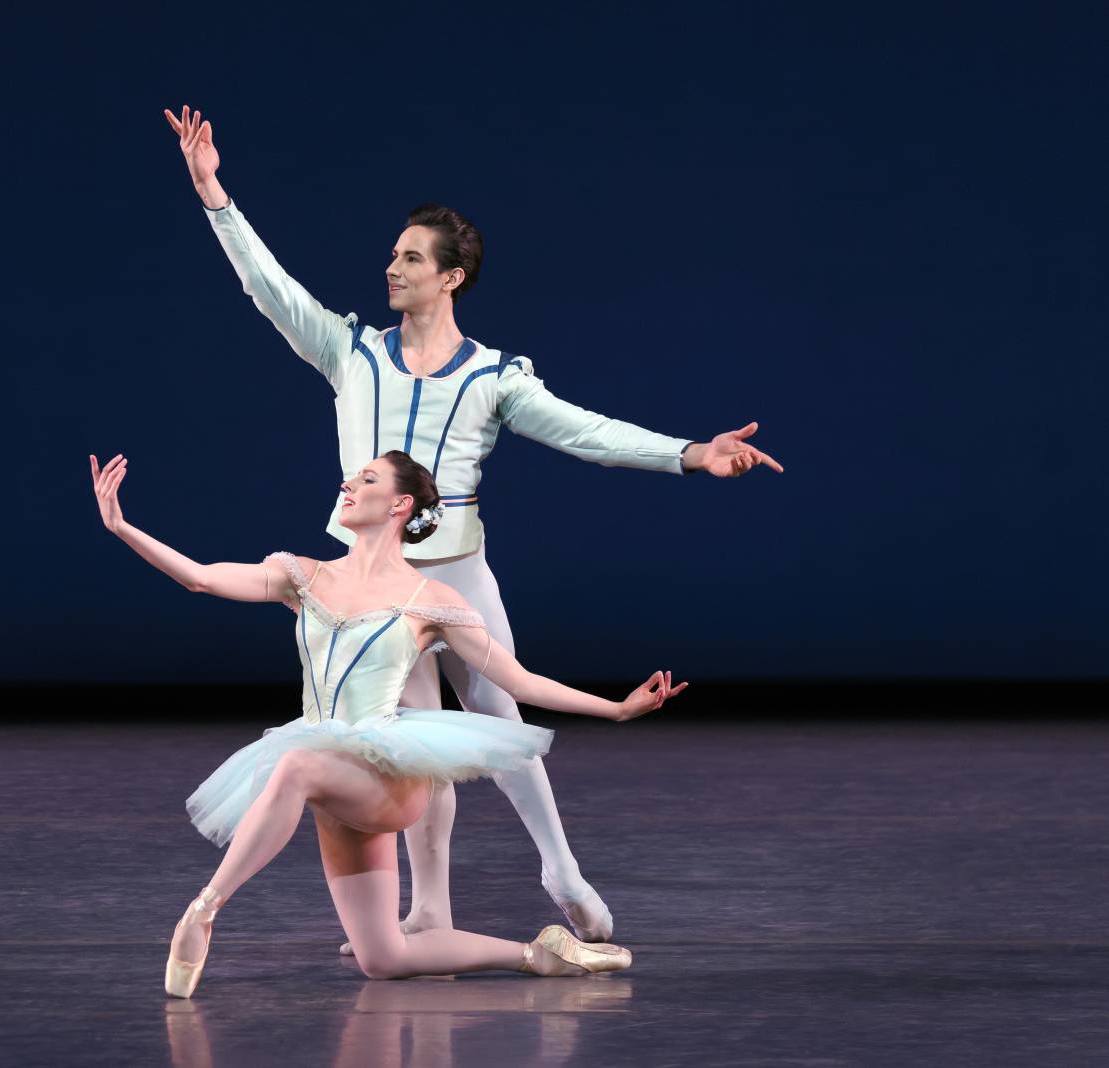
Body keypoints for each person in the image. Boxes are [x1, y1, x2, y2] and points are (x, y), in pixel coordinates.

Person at [163, 103, 776, 947]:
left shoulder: (492, 378)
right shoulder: (353, 354)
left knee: (504, 725)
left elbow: (586, 432)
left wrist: (687, 453)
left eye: (410, 258)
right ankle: (429, 909)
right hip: (377, 589)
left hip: (456, 577)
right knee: (411, 748)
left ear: (450, 276)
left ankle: (559, 867)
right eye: (392, 254)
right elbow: (270, 290)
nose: (393, 267)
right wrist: (214, 194)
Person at [88, 448, 686, 996]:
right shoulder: (303, 575)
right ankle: (542, 954)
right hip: (331, 773)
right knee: (384, 956)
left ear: (401, 505)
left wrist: (616, 708)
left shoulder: (432, 599)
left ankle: (204, 909)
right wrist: (121, 528)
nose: (348, 483)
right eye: (352, 477)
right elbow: (201, 576)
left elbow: (519, 681)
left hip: (386, 776)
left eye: (367, 479)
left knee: (293, 765)